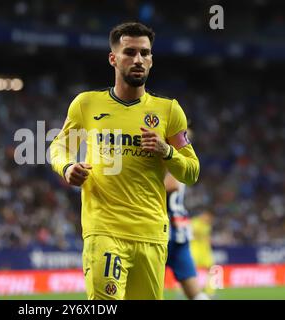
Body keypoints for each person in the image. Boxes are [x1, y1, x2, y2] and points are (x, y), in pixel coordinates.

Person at [50, 22, 200, 300]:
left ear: (152, 60)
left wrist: (167, 151)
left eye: (145, 53)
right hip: (104, 230)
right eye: (129, 52)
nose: (138, 59)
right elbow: (59, 147)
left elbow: (192, 172)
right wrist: (67, 167)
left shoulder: (169, 111)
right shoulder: (86, 104)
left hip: (152, 235)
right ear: (113, 58)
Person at [165, 172, 210, 300]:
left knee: (144, 288)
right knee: (194, 291)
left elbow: (171, 184)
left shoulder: (165, 154)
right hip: (178, 230)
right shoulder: (177, 158)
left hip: (164, 232)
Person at [190, 210, 216, 297]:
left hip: (205, 250)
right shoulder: (195, 222)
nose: (208, 219)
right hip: (194, 249)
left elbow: (207, 236)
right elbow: (194, 232)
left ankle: (209, 291)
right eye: (207, 216)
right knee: (190, 270)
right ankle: (189, 290)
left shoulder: (207, 225)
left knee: (211, 269)